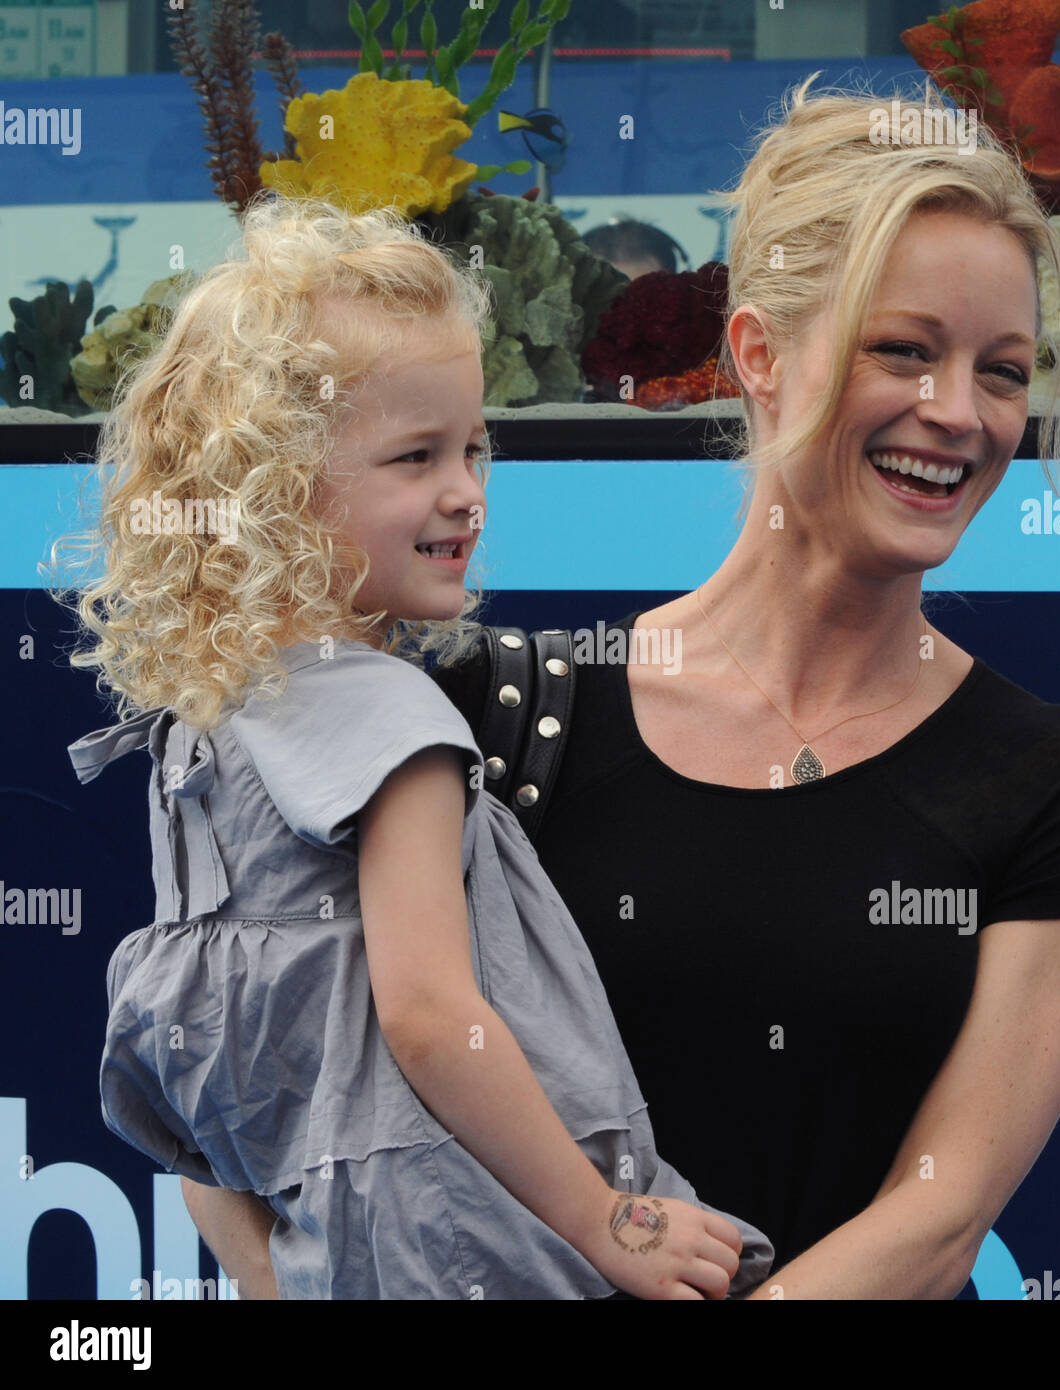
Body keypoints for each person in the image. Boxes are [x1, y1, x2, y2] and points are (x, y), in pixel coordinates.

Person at [164, 76, 1060, 1300]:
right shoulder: (482, 714)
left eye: (1002, 371)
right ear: (757, 353)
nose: (956, 414)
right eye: (902, 350)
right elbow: (228, 1092)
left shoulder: (1053, 783)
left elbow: (939, 1216)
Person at [57, 193, 774, 1300]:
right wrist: (606, 1221)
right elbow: (434, 1015)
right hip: (487, 1248)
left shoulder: (202, 738)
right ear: (281, 493)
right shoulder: (398, 724)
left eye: (475, 447)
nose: (466, 492)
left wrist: (276, 1278)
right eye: (414, 456)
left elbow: (193, 1116)